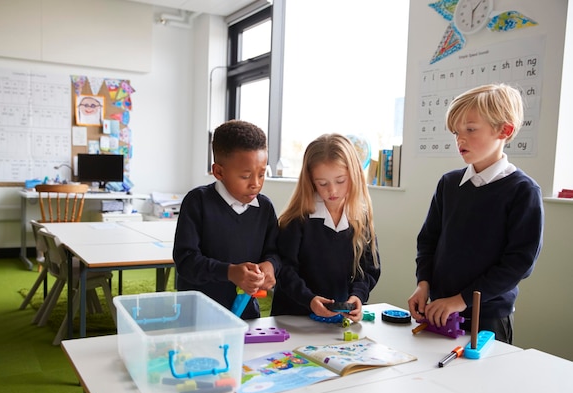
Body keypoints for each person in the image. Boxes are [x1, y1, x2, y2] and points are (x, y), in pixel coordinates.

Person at [408, 83, 544, 344]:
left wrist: (461, 300)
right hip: (440, 312)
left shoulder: (523, 191)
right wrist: (422, 283)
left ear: (505, 130)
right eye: (456, 132)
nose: (460, 139)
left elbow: (518, 263)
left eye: (470, 130)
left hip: (489, 319)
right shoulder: (448, 184)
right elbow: (428, 241)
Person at [173, 120, 280, 319]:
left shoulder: (264, 208)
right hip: (197, 313)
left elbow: (274, 251)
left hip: (246, 313)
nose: (255, 184)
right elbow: (186, 261)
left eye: (262, 174)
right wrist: (229, 272)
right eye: (245, 176)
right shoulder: (198, 202)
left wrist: (270, 266)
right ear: (219, 172)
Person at [270, 133, 381, 323]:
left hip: (337, 321)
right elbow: (285, 270)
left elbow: (369, 269)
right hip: (293, 319)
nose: (332, 191)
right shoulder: (297, 220)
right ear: (310, 181)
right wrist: (310, 300)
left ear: (353, 175)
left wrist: (358, 297)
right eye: (322, 183)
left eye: (340, 181)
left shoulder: (360, 218)